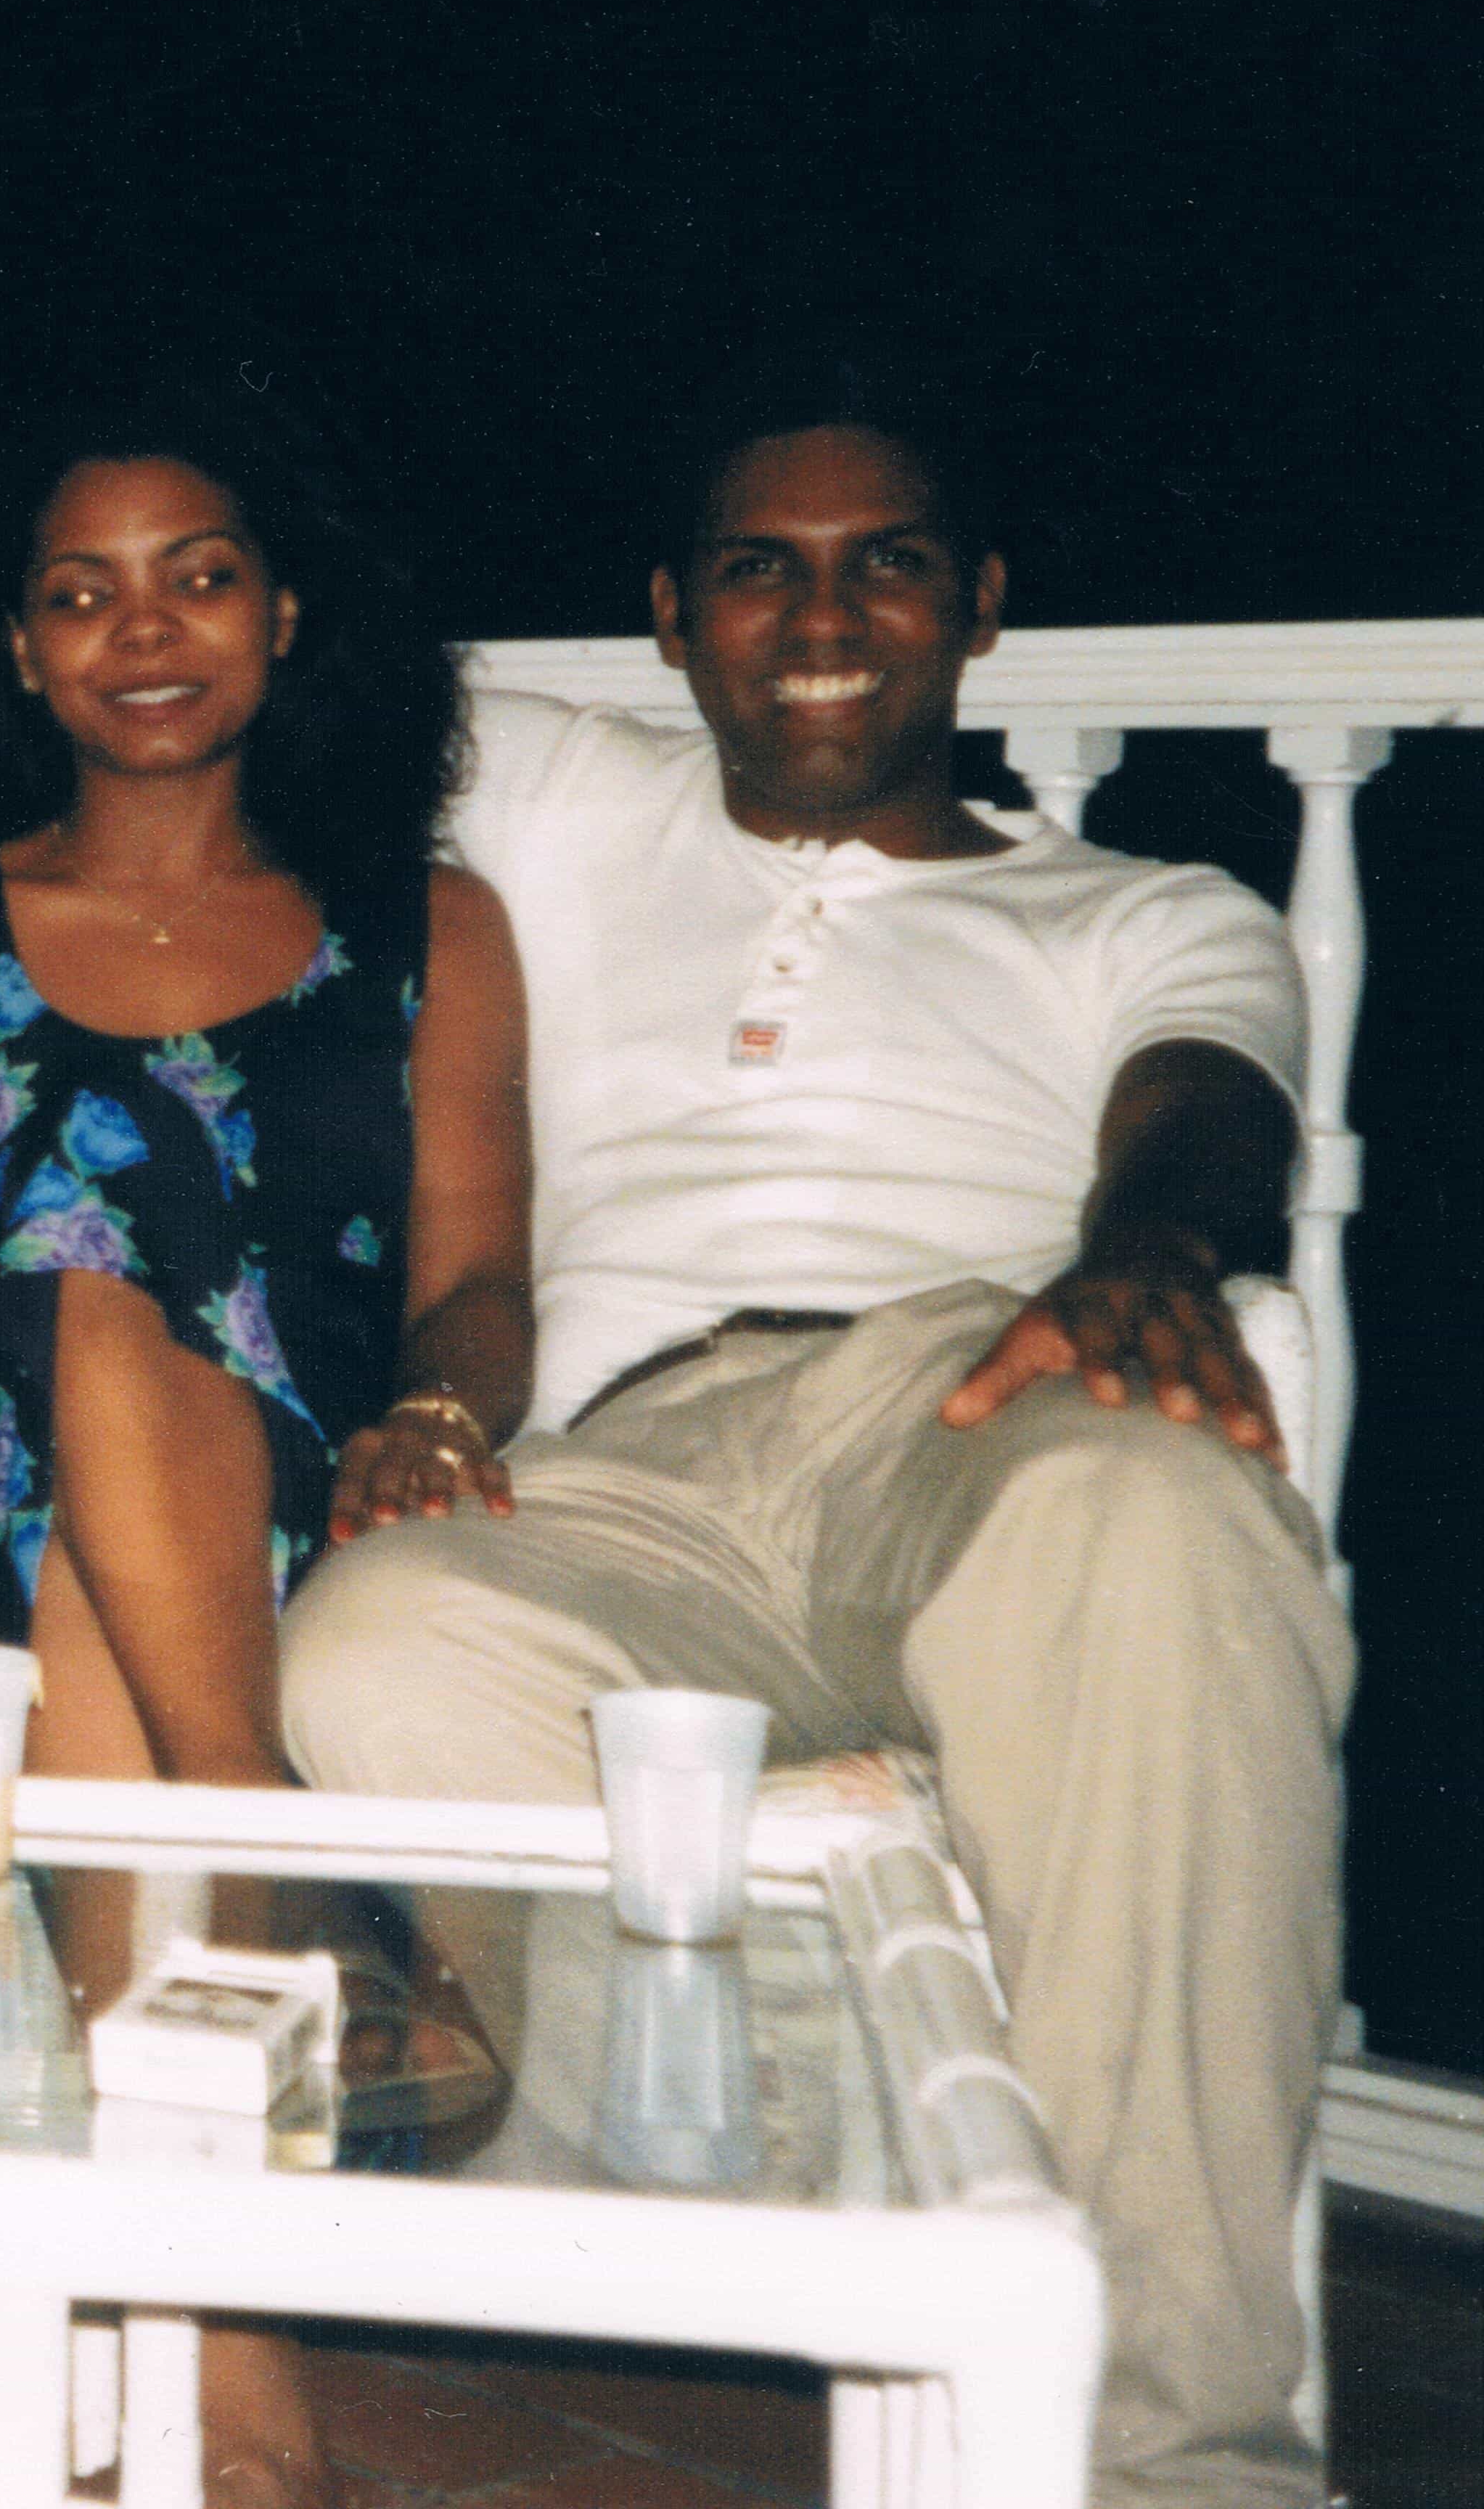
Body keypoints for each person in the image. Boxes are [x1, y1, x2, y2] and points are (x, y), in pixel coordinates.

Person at [278, 409, 1347, 2509]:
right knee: (375, 1640)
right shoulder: (577, 792)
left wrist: (1147, 1250)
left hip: (965, 1401)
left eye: (889, 559)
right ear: (674, 619)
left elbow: (1206, 1107)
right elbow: (175, 680)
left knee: (1151, 1514)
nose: (824, 613)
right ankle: (796, 2165)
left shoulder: (1147, 908)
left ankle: (1176, 2458)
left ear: (979, 605)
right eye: (760, 564)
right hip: (626, 1455)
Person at [0, 403, 531, 2509]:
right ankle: (284, 1912)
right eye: (81, 594)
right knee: (70, 1318)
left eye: (196, 576)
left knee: (97, 1439)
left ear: (281, 614)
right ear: (19, 651)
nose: (145, 629)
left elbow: (477, 1283)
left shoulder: (429, 927)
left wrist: (440, 1413)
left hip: (317, 1506)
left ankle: (223, 2358)